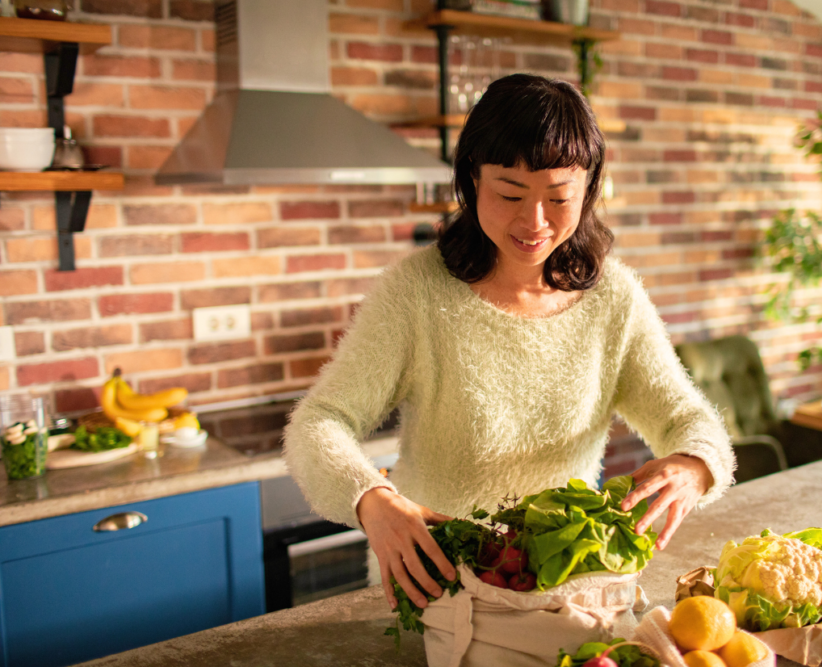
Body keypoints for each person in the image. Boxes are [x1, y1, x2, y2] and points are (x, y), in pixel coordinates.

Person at [283, 73, 734, 613]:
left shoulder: (613, 298)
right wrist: (370, 499)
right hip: (436, 586)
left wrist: (693, 465)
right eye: (510, 193)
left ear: (588, 192)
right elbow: (319, 421)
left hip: (566, 590)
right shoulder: (416, 292)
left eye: (559, 197)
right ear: (471, 180)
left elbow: (690, 419)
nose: (534, 221)